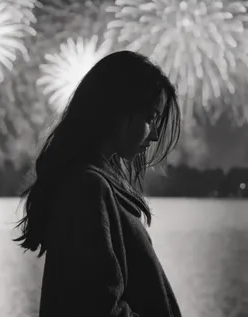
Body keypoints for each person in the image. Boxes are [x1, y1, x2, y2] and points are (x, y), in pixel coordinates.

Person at [14, 50, 183, 317]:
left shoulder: (93, 186)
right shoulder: (87, 189)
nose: (155, 137)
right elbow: (98, 308)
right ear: (119, 110)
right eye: (150, 118)